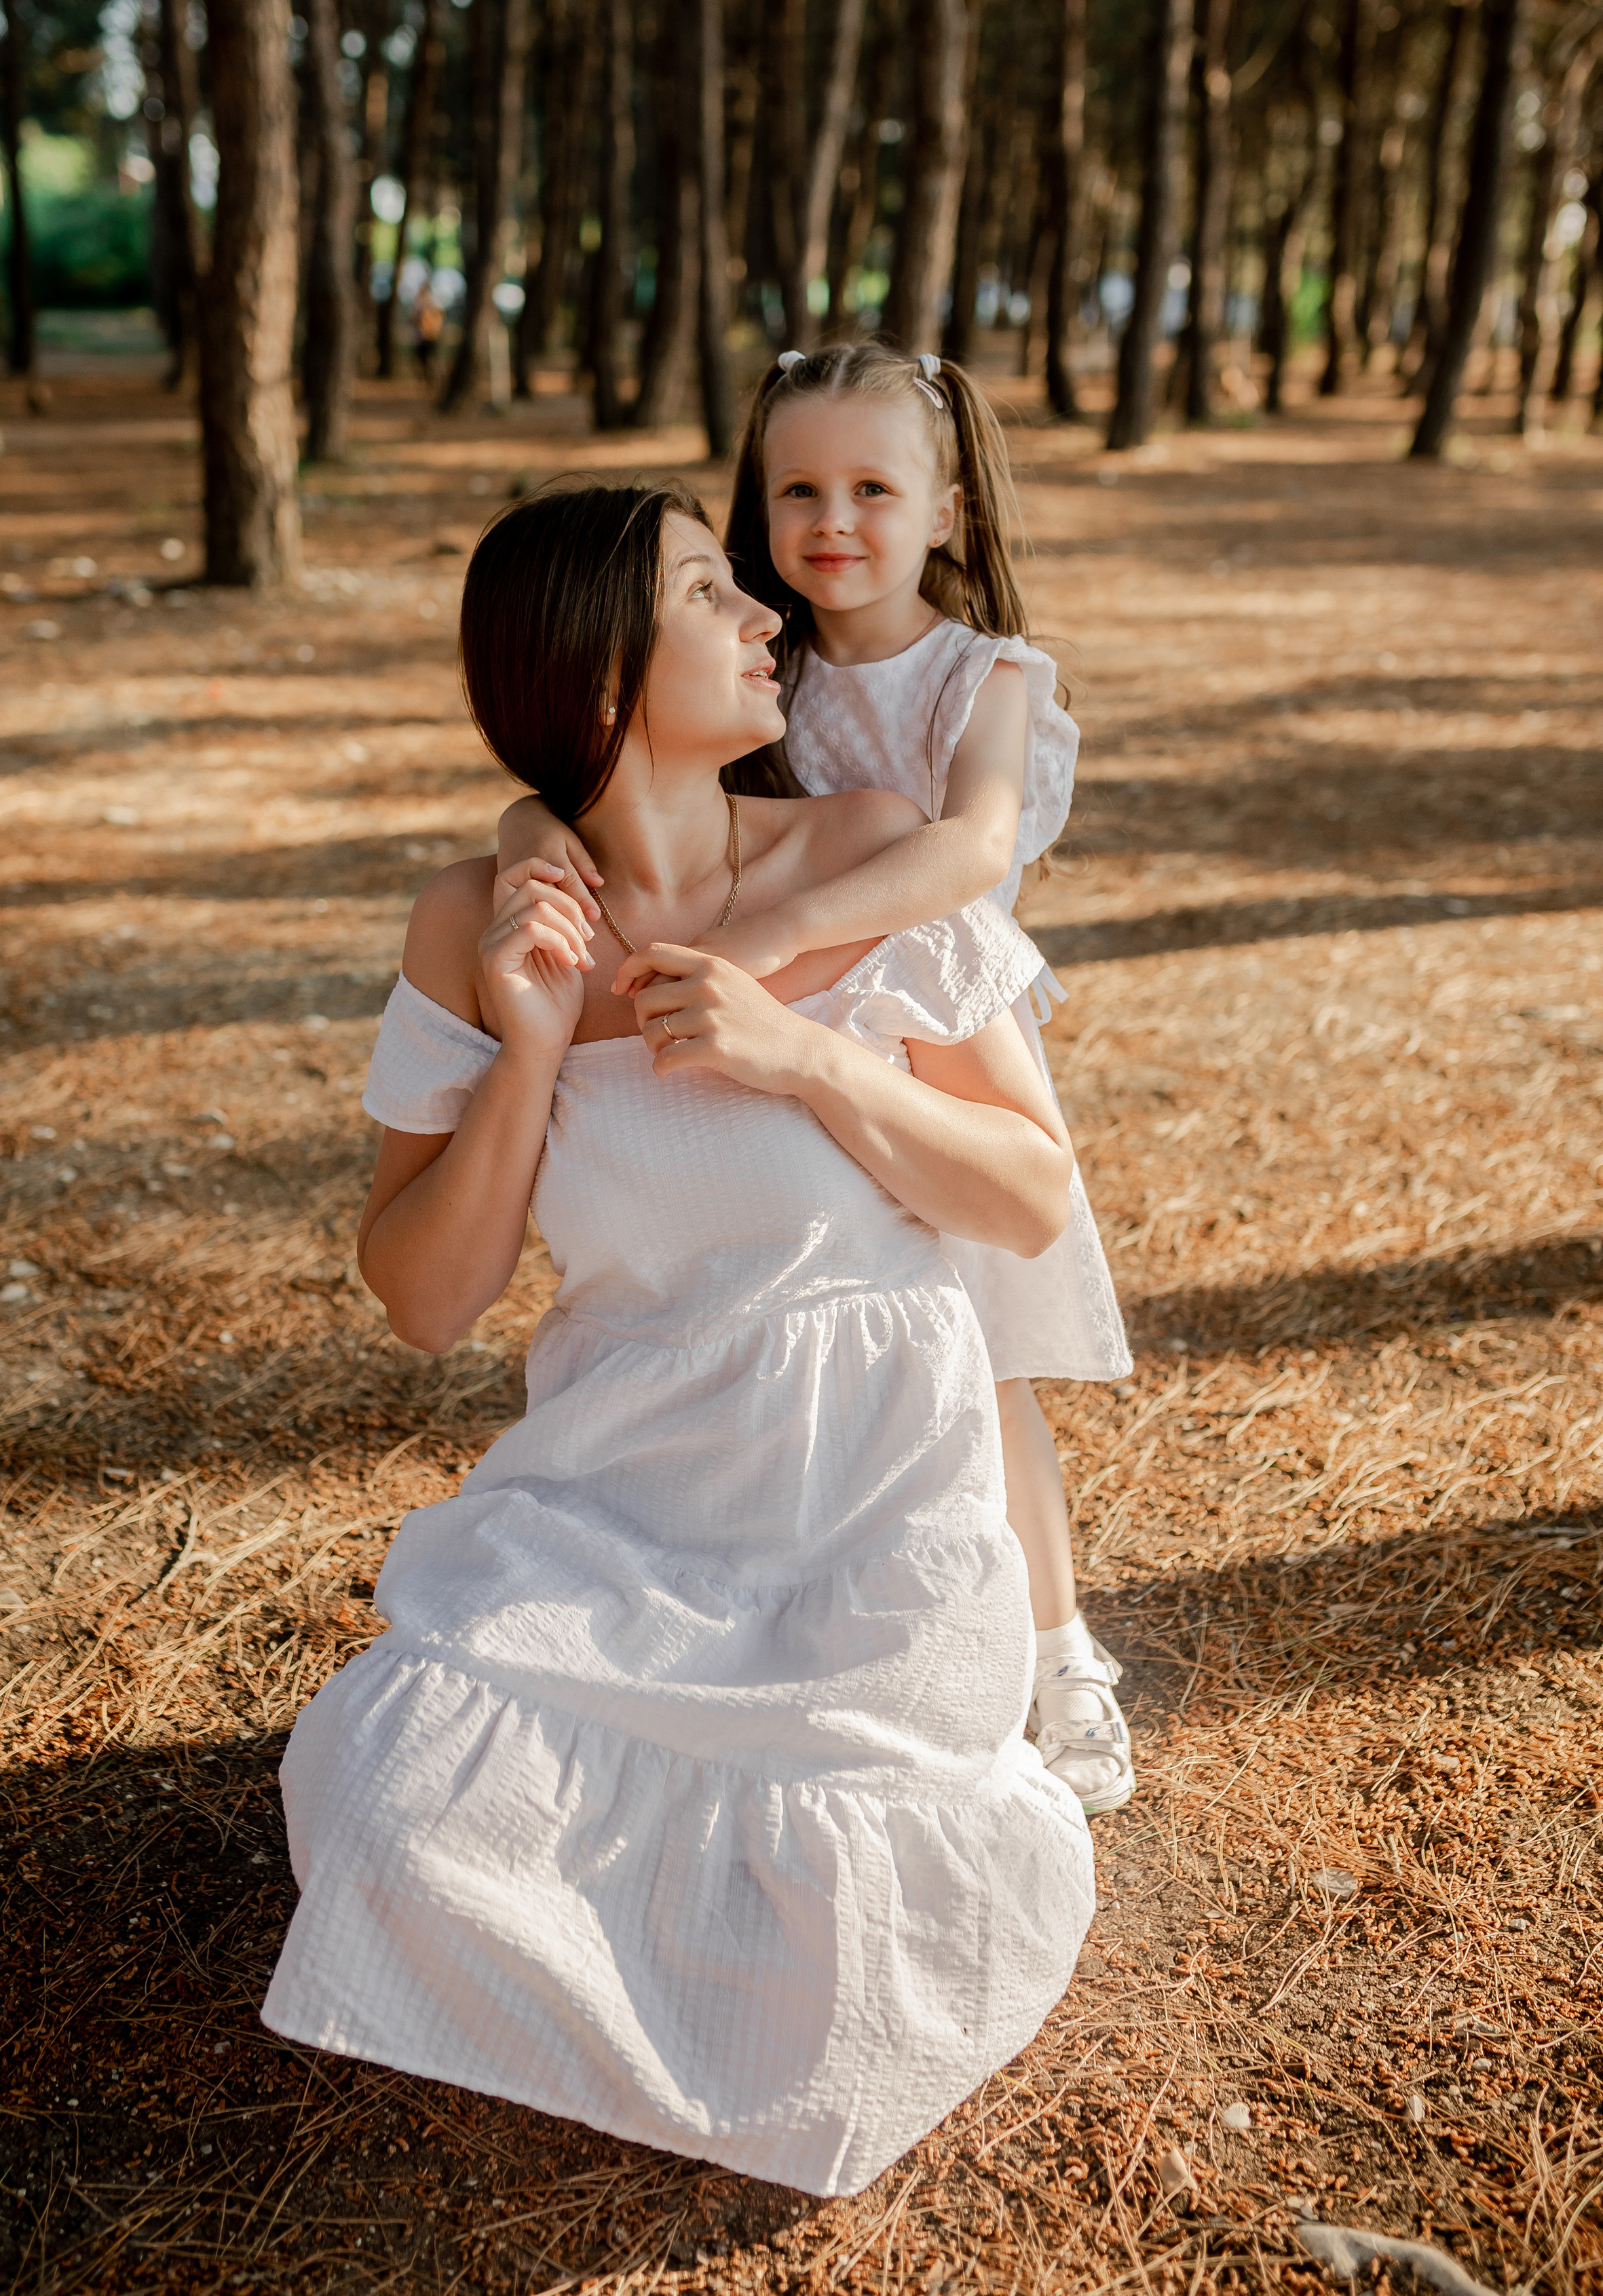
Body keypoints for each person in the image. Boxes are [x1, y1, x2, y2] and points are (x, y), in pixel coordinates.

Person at [263, 479, 1094, 2198]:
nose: (765, 614)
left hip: (866, 1487)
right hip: (617, 1487)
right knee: (387, 1803)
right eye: (710, 593)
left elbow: (1026, 1198)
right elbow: (424, 1298)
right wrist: (528, 1039)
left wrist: (808, 1060)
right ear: (594, 675)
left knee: (863, 1931)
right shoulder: (473, 920)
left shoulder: (861, 850)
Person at [497, 345, 1134, 1818]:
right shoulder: (754, 654)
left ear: (948, 512)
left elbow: (969, 849)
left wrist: (774, 939)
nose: (831, 520)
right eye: (797, 490)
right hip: (774, 1049)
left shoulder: (984, 674)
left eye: (871, 490)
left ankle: (1058, 1651)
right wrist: (530, 827)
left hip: (931, 1028)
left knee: (984, 1365)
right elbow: (611, 759)